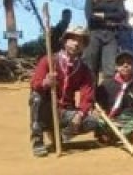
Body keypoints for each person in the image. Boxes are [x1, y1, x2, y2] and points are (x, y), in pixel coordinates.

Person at [28, 27, 97, 157]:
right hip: (47, 110)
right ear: (65, 42)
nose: (76, 44)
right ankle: (37, 140)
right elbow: (35, 84)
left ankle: (60, 136)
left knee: (91, 121)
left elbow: (87, 95)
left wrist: (80, 114)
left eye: (80, 41)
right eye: (72, 39)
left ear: (84, 46)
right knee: (36, 97)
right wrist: (45, 83)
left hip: (65, 111)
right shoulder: (48, 60)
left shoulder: (83, 69)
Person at [84, 0, 127, 79]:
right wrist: (111, 18)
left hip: (112, 35)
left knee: (110, 71)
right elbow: (90, 16)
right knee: (90, 68)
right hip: (94, 34)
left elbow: (122, 15)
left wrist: (102, 15)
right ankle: (90, 96)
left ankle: (107, 96)